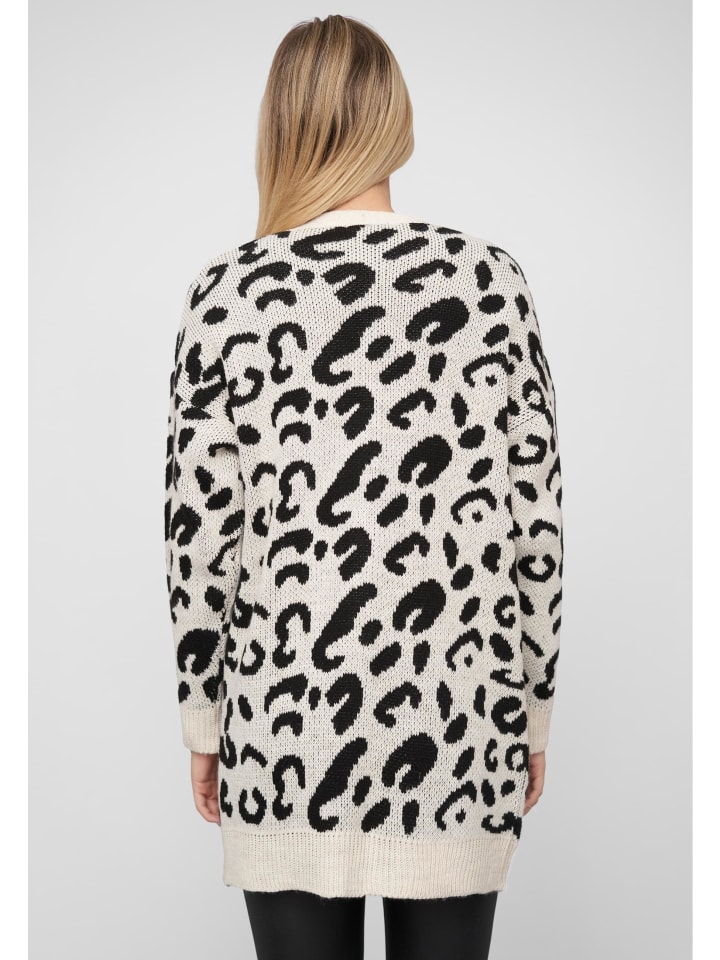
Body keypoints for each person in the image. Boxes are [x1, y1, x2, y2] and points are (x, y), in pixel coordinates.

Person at [163, 14, 563, 960]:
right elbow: (536, 526)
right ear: (395, 120)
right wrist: (534, 708)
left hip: (287, 729)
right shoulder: (490, 285)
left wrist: (204, 720)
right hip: (461, 722)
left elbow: (199, 536)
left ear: (281, 126)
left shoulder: (227, 295)